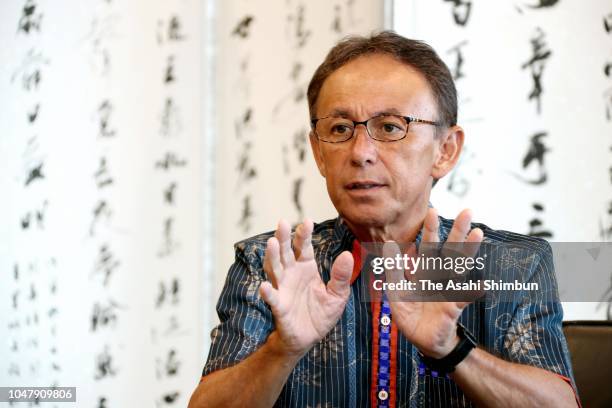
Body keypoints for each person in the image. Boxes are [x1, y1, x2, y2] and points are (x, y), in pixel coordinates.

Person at [188, 31, 579, 407]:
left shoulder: (515, 265)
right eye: (340, 129)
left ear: (445, 149)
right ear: (319, 153)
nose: (361, 153)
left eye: (390, 127)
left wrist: (452, 350)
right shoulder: (270, 263)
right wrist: (281, 349)